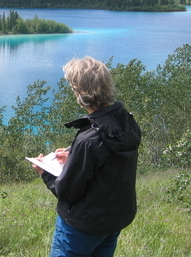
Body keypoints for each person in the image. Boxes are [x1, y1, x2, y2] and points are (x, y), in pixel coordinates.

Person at [32, 56, 141, 257]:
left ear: (79, 92)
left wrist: (45, 172)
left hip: (83, 225)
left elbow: (67, 192)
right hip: (113, 220)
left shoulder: (88, 140)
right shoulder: (127, 121)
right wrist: (74, 158)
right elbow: (108, 164)